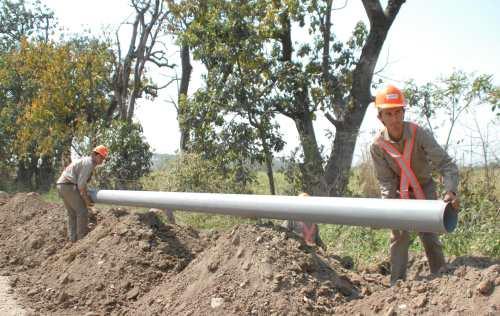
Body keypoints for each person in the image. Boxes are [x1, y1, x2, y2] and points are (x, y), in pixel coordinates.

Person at [369, 85, 459, 285]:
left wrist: (451, 190)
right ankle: (397, 285)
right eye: (388, 114)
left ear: (404, 112)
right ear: (380, 117)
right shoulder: (377, 146)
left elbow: (446, 164)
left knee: (429, 234)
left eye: (398, 112)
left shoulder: (418, 134)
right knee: (399, 237)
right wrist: (388, 207)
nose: (394, 119)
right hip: (398, 193)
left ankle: (441, 279)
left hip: (424, 187)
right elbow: (385, 181)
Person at [56, 145, 108, 242]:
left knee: (72, 214)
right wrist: (86, 200)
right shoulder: (89, 164)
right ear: (94, 155)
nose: (102, 160)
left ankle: (73, 240)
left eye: (103, 158)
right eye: (101, 157)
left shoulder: (85, 161)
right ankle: (81, 240)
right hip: (68, 185)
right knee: (82, 211)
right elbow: (81, 185)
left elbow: (81, 183)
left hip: (61, 185)